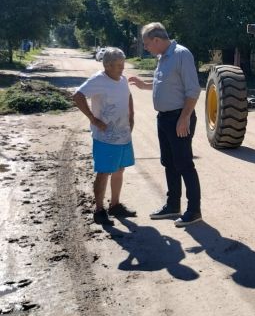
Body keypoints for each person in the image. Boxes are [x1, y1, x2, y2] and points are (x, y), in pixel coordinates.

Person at [128, 22, 202, 227]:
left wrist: (185, 117)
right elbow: (165, 83)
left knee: (184, 164)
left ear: (157, 40)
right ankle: (172, 205)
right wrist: (144, 85)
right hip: (164, 118)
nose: (146, 48)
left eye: (146, 44)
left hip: (179, 118)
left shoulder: (181, 54)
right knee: (169, 162)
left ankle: (194, 210)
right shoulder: (162, 58)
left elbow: (193, 90)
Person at [73, 47, 136, 226]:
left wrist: (131, 116)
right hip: (105, 137)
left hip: (123, 135)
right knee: (104, 172)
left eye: (123, 64)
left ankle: (115, 205)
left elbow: (128, 96)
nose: (122, 68)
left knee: (119, 169)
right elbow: (77, 96)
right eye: (118, 65)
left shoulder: (122, 79)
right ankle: (99, 210)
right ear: (107, 65)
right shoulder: (98, 80)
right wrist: (93, 118)